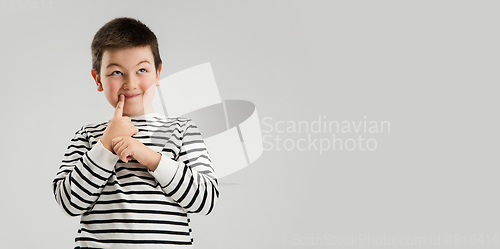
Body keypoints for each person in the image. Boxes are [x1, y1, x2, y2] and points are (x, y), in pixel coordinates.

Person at [52, 17, 219, 248]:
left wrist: (149, 157)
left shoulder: (181, 131)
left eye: (141, 70)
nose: (130, 83)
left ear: (158, 73)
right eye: (116, 72)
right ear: (98, 79)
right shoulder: (88, 136)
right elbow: (69, 202)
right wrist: (106, 146)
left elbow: (205, 200)